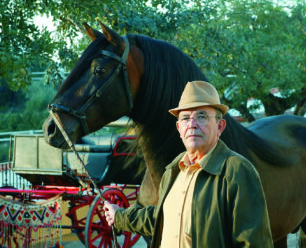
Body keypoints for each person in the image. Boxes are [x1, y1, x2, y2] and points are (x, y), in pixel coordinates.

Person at [104, 80, 273, 247]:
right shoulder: (174, 170)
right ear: (179, 128)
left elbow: (255, 243)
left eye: (202, 116)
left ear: (220, 126)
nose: (192, 125)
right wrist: (119, 216)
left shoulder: (237, 171)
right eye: (185, 118)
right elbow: (161, 219)